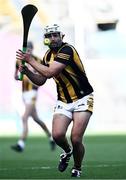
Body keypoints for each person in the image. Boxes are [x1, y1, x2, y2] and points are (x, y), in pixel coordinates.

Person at [16, 25, 94, 177]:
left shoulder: (67, 50)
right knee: (57, 135)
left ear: (62, 36)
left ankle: (77, 168)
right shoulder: (46, 56)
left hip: (83, 97)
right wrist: (27, 72)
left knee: (76, 138)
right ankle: (67, 152)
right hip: (64, 100)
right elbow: (40, 80)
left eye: (56, 35)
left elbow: (51, 71)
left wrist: (30, 60)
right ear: (46, 39)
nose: (53, 38)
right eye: (50, 35)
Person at [11, 41, 56, 152]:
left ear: (32, 49)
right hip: (24, 93)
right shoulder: (19, 60)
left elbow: (41, 78)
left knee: (24, 117)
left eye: (30, 49)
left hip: (33, 93)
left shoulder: (38, 61)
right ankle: (51, 137)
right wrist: (18, 76)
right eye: (26, 49)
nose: (28, 51)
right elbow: (16, 76)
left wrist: (31, 72)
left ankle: (21, 143)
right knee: (36, 119)